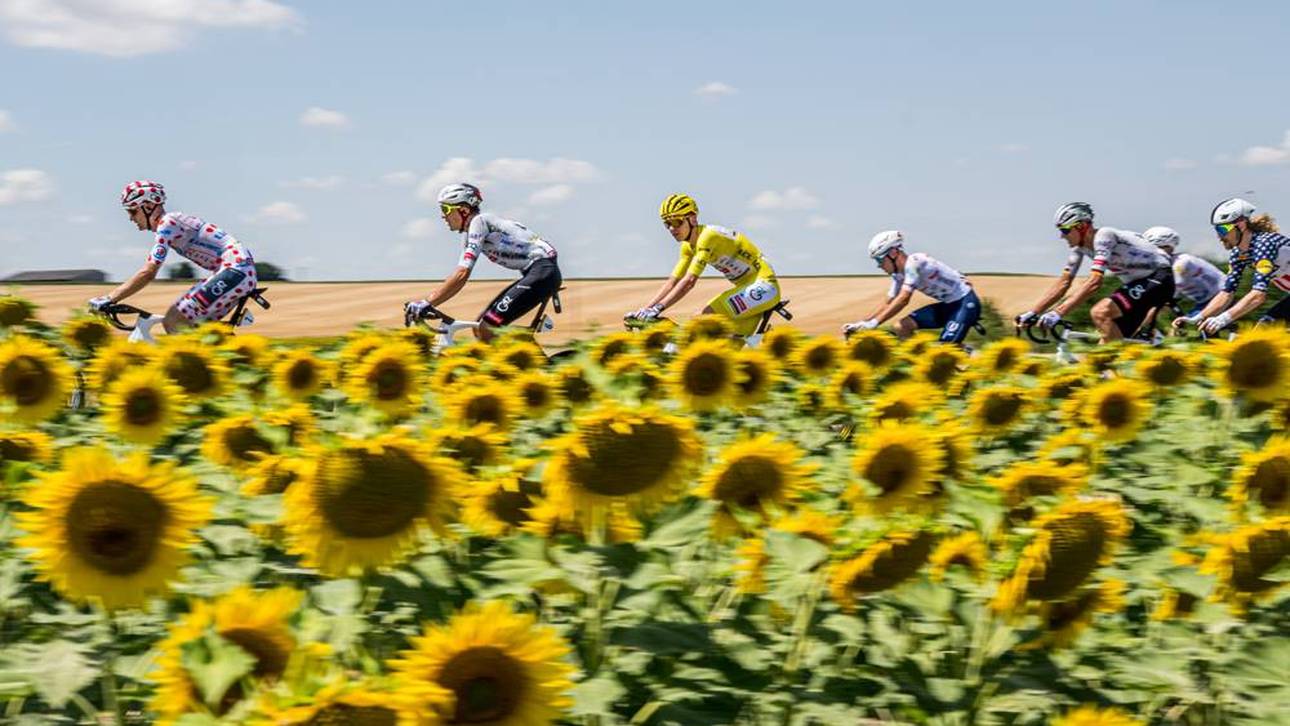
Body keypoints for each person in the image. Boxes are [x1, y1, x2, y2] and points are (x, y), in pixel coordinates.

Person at [88, 181, 258, 336]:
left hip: (235, 270)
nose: (131, 218)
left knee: (174, 320)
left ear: (147, 206)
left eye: (133, 211)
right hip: (235, 271)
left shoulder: (167, 224)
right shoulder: (170, 223)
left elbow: (148, 272)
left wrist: (110, 298)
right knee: (200, 331)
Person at [406, 183, 562, 342]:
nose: (443, 216)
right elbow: (459, 275)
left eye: (446, 209)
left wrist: (427, 302)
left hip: (542, 271)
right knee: (480, 329)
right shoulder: (470, 234)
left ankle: (521, 362)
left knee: (488, 328)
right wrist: (430, 302)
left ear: (464, 210)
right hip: (537, 273)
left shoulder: (479, 222)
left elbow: (462, 274)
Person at [1016, 202, 1174, 343]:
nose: (1061, 236)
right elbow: (1064, 283)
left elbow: (1094, 282)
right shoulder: (1079, 249)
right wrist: (1033, 312)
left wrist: (1058, 313)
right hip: (1140, 284)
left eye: (1065, 230)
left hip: (1159, 278)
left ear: (1081, 226)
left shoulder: (1104, 237)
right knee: (1104, 347)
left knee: (1100, 312)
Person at [625, 194, 781, 336]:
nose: (672, 229)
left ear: (692, 219)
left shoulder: (708, 236)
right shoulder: (687, 246)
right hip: (746, 288)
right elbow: (673, 282)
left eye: (676, 222)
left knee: (700, 321)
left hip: (765, 286)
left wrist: (658, 309)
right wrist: (645, 310)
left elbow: (689, 282)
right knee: (729, 348)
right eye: (667, 224)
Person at [842, 230, 981, 344]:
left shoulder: (915, 262)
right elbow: (888, 303)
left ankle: (968, 359)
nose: (879, 265)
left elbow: (903, 299)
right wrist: (861, 324)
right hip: (948, 306)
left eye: (879, 260)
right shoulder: (899, 275)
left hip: (965, 303)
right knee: (901, 328)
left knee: (945, 352)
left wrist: (874, 324)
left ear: (893, 253)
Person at [1177, 198, 1290, 334]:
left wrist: (1223, 319)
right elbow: (1226, 293)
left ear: (1241, 225)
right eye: (1217, 230)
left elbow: (1258, 295)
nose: (1219, 236)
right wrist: (1198, 317)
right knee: (1263, 331)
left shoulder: (1264, 244)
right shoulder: (1239, 253)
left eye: (1223, 229)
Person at [1141, 226, 1222, 325]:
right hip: (1206, 301)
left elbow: (1169, 292)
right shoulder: (1172, 261)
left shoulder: (1181, 262)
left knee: (1190, 324)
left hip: (1221, 298)